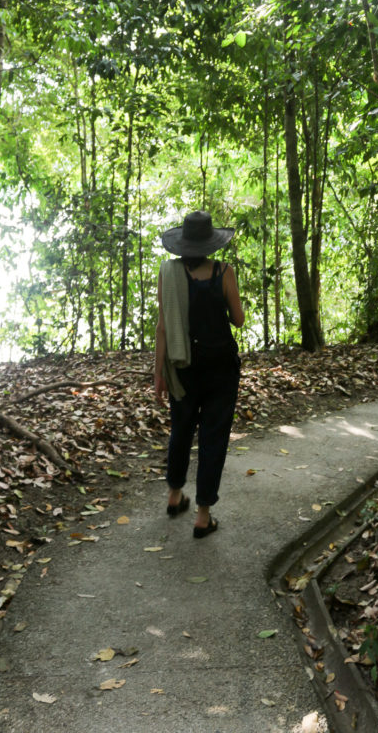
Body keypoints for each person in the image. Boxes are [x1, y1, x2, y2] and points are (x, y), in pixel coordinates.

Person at [154, 210, 245, 538]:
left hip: (184, 367)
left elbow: (163, 326)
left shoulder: (169, 272)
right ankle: (203, 516)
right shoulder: (225, 272)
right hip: (220, 368)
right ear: (210, 244)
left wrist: (159, 373)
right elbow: (238, 319)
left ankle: (175, 496)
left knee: (181, 428)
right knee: (213, 437)